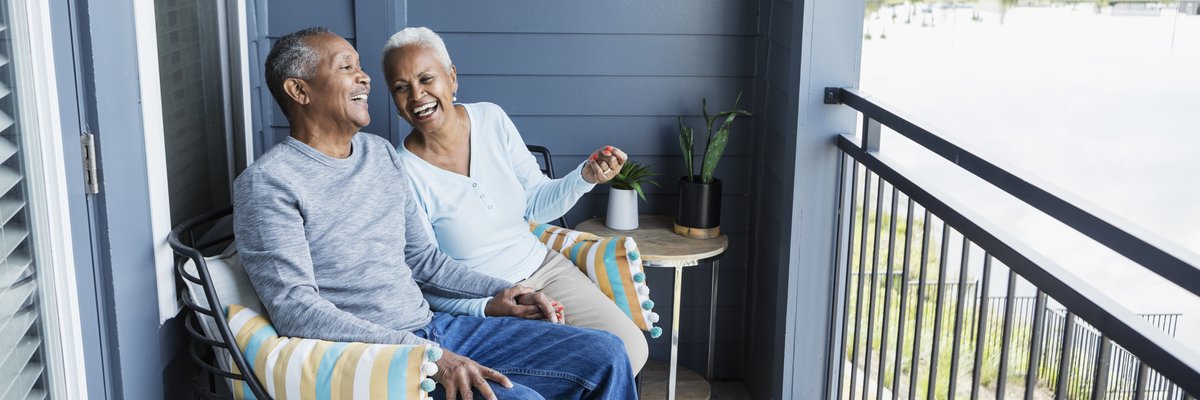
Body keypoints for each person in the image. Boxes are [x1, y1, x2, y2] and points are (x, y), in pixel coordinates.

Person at [233, 26, 636, 400]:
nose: (365, 78)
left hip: (436, 330)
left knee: (607, 352)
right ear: (298, 90)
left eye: (360, 67)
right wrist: (425, 355)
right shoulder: (270, 183)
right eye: (346, 67)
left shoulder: (377, 154)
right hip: (381, 358)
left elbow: (424, 260)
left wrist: (496, 289)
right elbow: (295, 309)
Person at [379, 27, 649, 375]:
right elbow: (427, 279)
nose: (417, 95)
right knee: (566, 373)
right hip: (487, 303)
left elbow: (536, 204)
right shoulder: (402, 172)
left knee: (631, 350)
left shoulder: (491, 119)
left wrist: (585, 177)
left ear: (452, 77)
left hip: (545, 270)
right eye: (401, 88)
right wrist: (490, 306)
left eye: (426, 78)